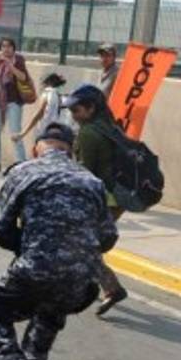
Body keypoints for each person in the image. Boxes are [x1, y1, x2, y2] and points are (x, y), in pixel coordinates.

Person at [0, 122, 118, 360]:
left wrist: (29, 247)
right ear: (71, 151)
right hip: (80, 283)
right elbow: (108, 237)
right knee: (52, 308)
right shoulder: (92, 182)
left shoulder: (24, 172)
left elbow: (0, 229)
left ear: (36, 148)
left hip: (34, 268)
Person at [65, 83, 129, 316]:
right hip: (117, 197)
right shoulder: (108, 125)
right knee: (86, 243)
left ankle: (111, 288)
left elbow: (85, 172)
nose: (73, 116)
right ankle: (102, 285)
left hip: (103, 198)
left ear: (91, 108)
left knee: (82, 244)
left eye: (76, 111)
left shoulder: (89, 132)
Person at [0, 37, 29, 171]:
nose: (6, 49)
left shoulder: (19, 60)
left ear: (13, 48)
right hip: (0, 101)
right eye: (3, 46)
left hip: (14, 102)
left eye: (9, 46)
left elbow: (23, 77)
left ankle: (22, 164)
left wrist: (10, 65)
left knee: (15, 134)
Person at [14, 72, 68, 150]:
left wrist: (23, 133)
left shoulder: (47, 94)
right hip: (57, 131)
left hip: (45, 131)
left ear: (47, 83)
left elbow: (39, 114)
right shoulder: (58, 95)